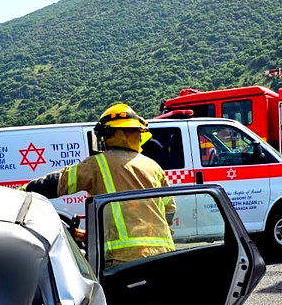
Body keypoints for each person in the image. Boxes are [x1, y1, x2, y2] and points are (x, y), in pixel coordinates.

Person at [25, 103, 175, 266]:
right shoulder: (153, 166)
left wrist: (20, 192)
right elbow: (169, 211)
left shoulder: (98, 164)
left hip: (122, 259)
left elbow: (57, 183)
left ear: (108, 135)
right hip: (162, 255)